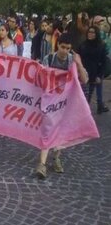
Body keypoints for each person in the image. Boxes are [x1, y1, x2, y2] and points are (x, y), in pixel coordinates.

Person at [35, 33, 89, 179]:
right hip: (50, 102)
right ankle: (42, 164)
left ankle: (56, 157)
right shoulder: (49, 59)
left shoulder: (72, 61)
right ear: (57, 45)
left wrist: (79, 64)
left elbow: (84, 79)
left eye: (68, 48)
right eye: (63, 47)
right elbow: (40, 80)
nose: (65, 51)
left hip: (66, 103)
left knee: (62, 131)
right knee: (47, 130)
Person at [78, 26, 109, 114]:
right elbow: (78, 58)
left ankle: (98, 107)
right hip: (84, 74)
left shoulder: (101, 46)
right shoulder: (83, 44)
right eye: (89, 32)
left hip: (96, 74)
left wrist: (99, 76)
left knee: (92, 93)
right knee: (85, 95)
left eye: (93, 32)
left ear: (96, 34)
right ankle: (84, 113)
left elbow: (104, 62)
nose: (90, 34)